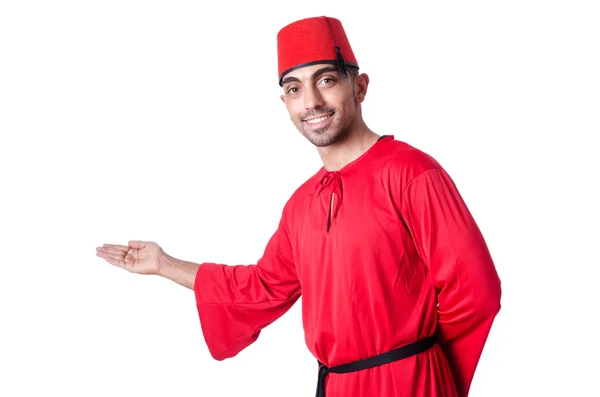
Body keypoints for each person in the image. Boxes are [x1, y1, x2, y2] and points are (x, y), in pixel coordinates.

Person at [96, 15, 502, 397]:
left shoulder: (411, 173)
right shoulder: (301, 204)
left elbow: (475, 291)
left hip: (410, 382)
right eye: (294, 88)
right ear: (285, 103)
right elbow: (262, 288)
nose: (311, 101)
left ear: (359, 87)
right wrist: (165, 264)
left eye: (325, 80)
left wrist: (434, 377)